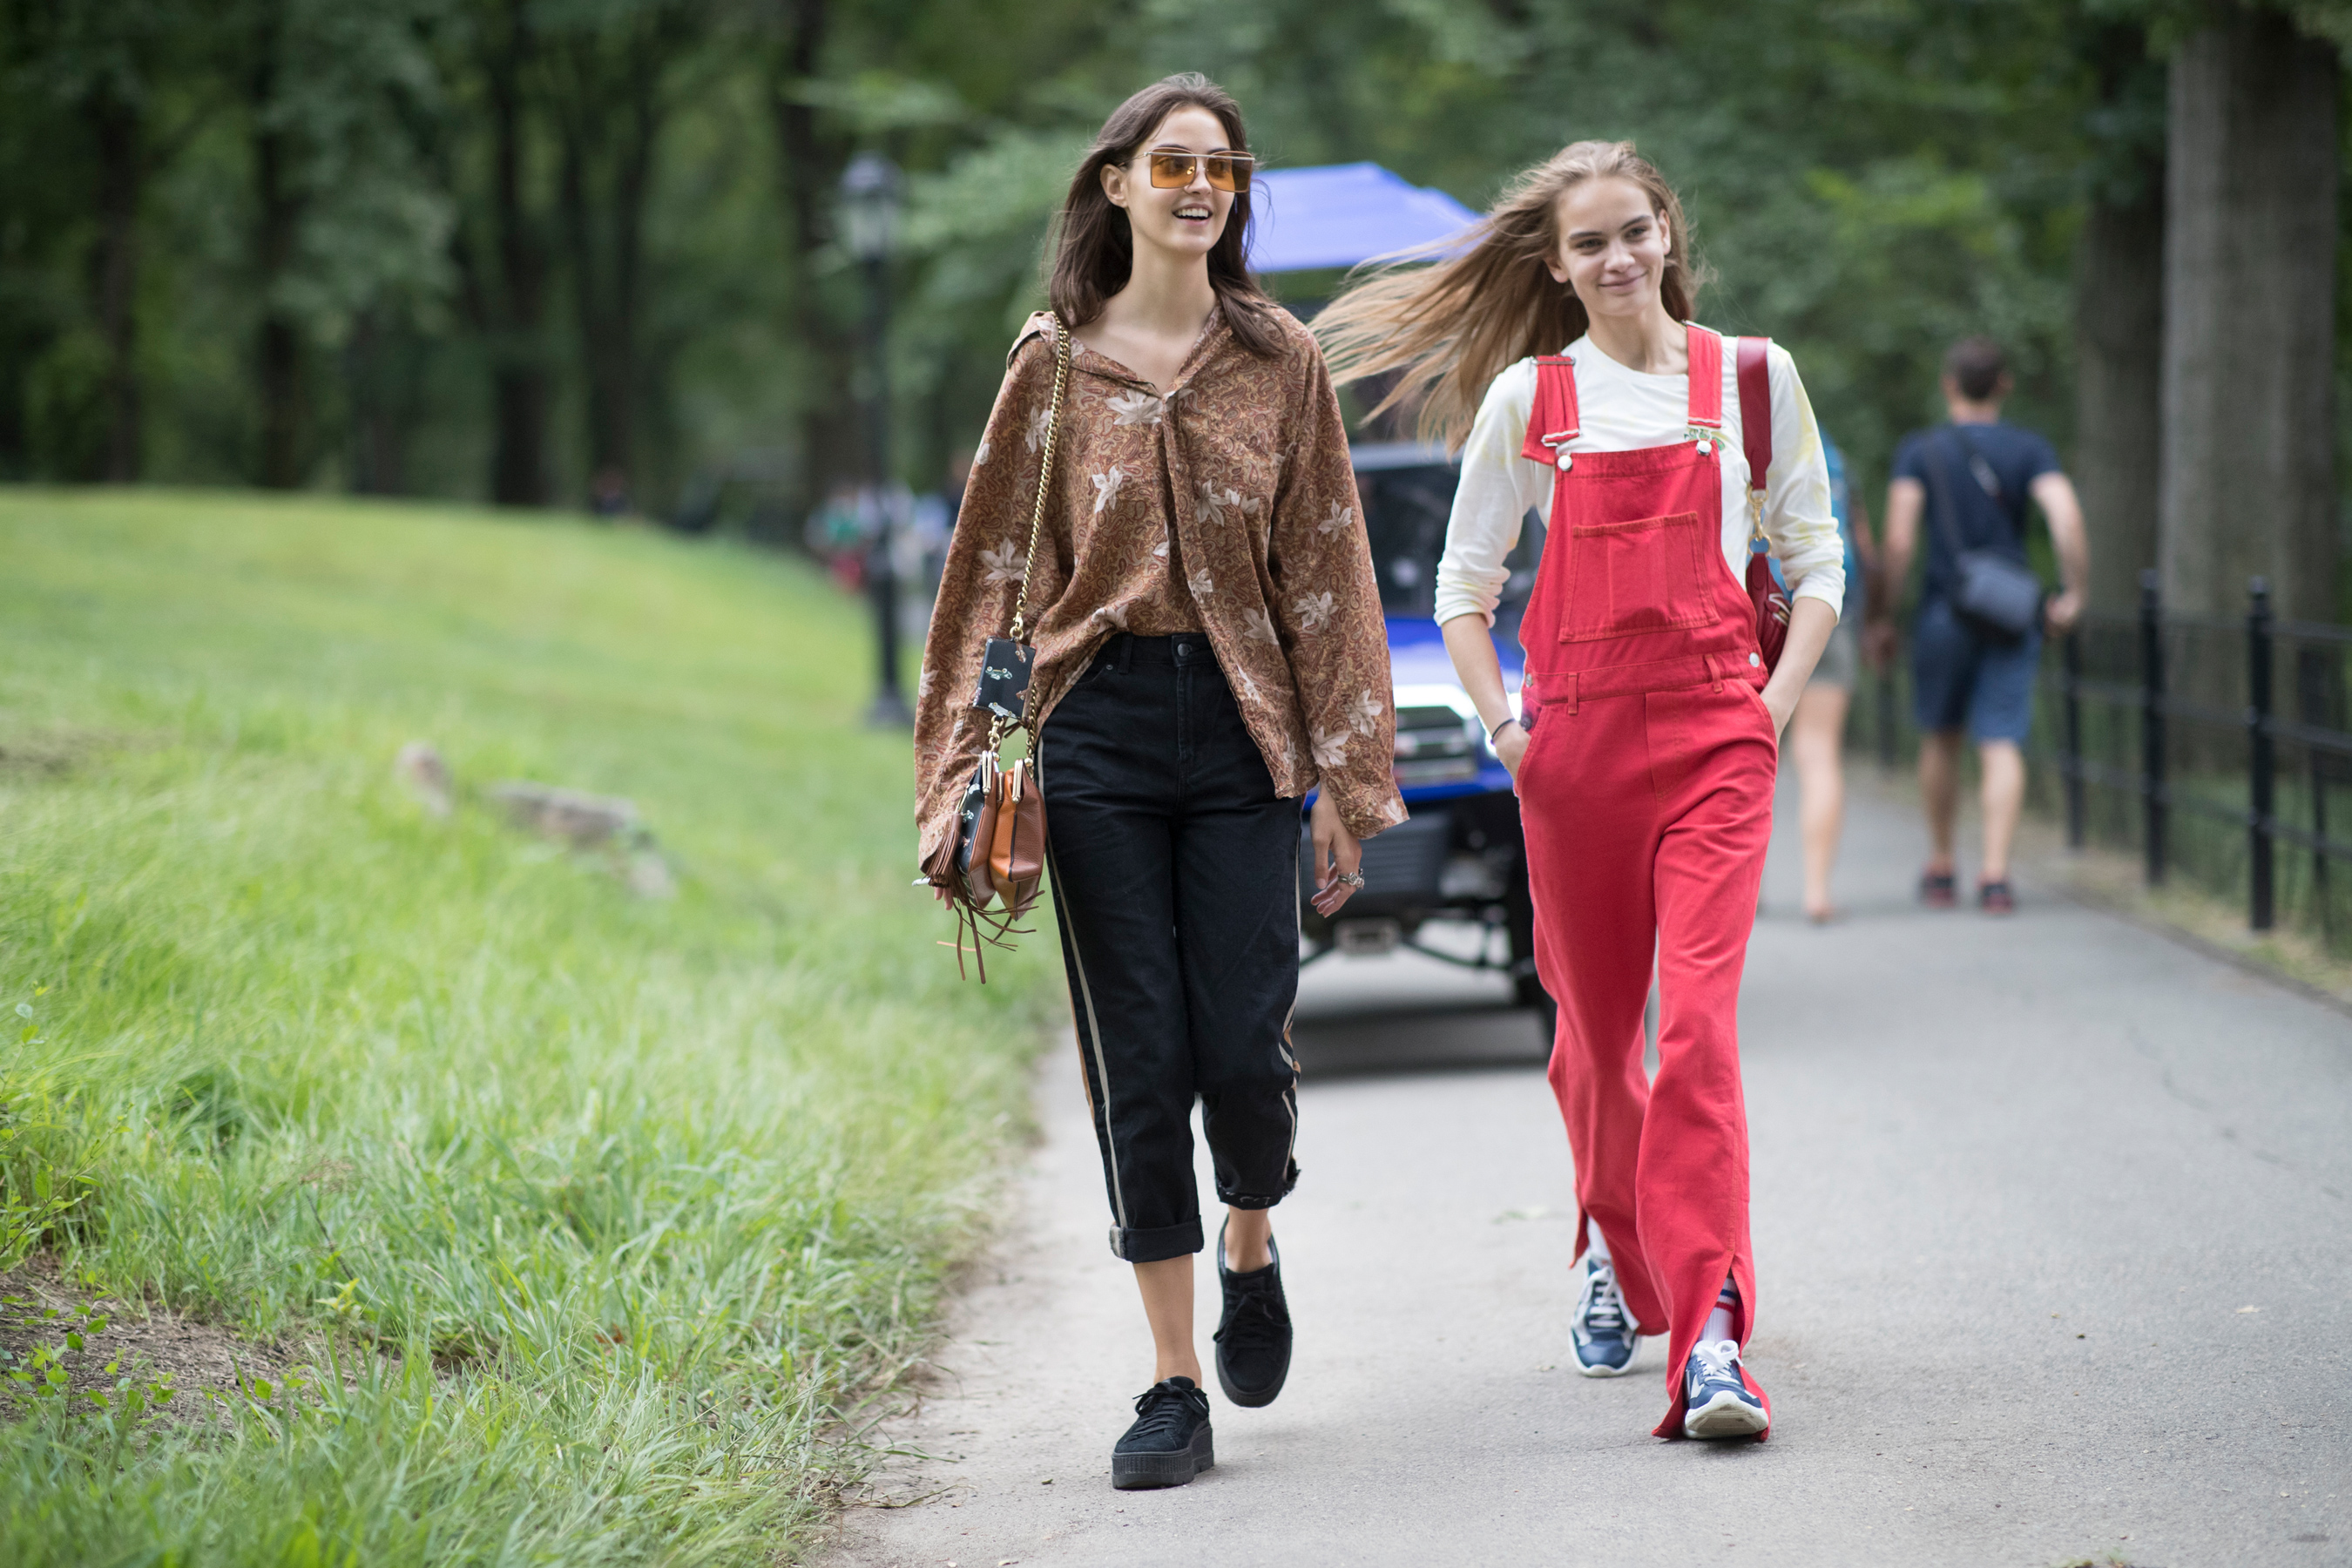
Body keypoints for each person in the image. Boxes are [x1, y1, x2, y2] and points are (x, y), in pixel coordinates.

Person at [912, 74, 1402, 1490]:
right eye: (1173, 163)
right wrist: (964, 770)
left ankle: (1252, 1234)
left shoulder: (1280, 358)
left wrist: (1348, 776)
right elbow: (995, 578)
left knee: (1243, 1048)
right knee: (1140, 1058)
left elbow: (1329, 569)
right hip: (1099, 732)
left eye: (1222, 167)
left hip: (1246, 732)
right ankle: (1174, 1382)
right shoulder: (1054, 364)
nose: (1200, 186)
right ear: (1116, 183)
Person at [1318, 140, 1843, 1443]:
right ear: (1556, 266)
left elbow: (1817, 558)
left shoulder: (1752, 379)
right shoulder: (1531, 399)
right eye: (1590, 243)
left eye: (1635, 231)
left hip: (1719, 737)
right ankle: (1615, 1243)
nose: (1618, 258)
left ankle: (1711, 1339)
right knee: (1598, 1047)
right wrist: (1508, 733)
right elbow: (1465, 589)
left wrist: (1771, 711)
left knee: (1697, 1034)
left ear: (1669, 233)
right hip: (1576, 756)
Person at [1881, 336, 2088, 915]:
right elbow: (2066, 518)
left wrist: (1884, 613)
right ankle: (1995, 876)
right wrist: (2074, 592)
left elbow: (1899, 541)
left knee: (1940, 737)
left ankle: (1943, 865)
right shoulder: (2030, 449)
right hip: (2011, 614)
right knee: (2000, 741)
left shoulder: (1920, 451)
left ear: (1949, 384)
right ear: (2004, 385)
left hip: (1944, 609)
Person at [1788, 435, 1883, 923]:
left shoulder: (1734, 435)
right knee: (1820, 751)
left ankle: (1743, 891)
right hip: (1830, 611)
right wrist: (1875, 619)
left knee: (1745, 754)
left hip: (1758, 612)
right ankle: (1816, 891)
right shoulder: (1831, 453)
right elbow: (1863, 547)